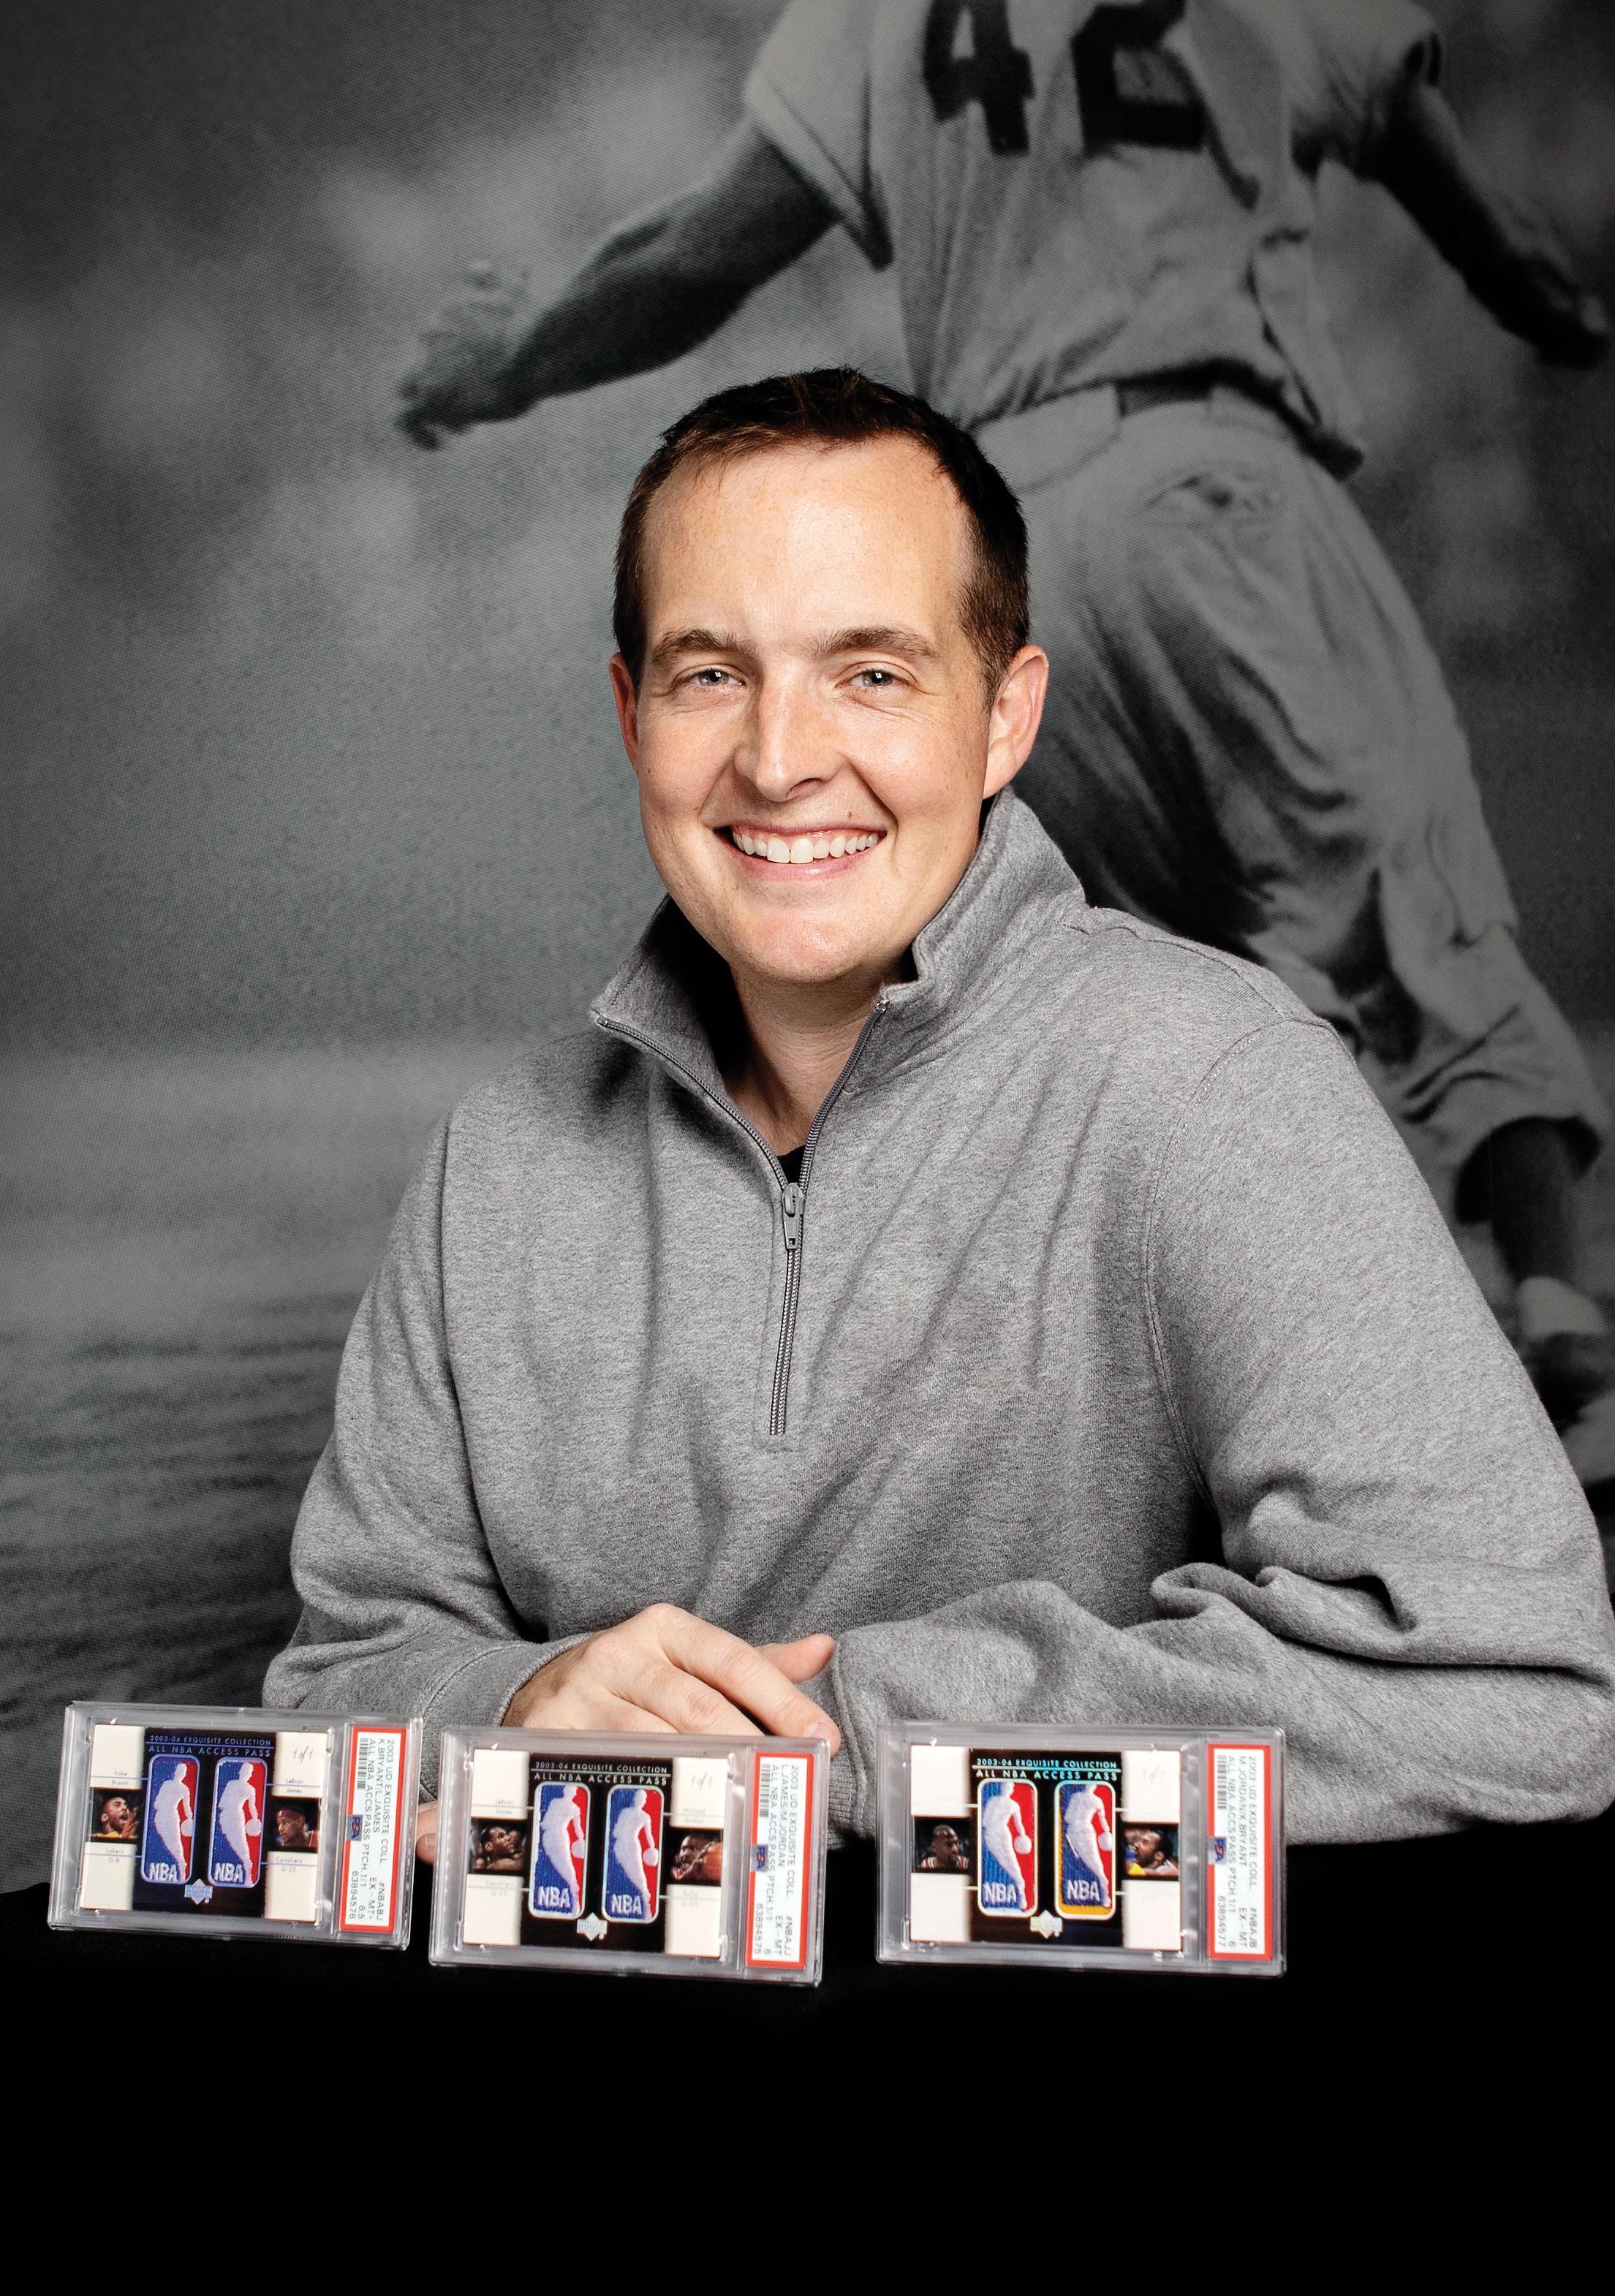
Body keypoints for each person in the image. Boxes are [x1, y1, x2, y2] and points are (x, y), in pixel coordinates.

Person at [268, 368, 1615, 1849]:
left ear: (1003, 718)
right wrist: (518, 1706)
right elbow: (339, 1685)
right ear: (630, 713)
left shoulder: (1218, 1084)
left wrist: (815, 1741)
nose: (780, 760)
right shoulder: (497, 1163)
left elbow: (1509, 1687)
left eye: (871, 674)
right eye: (710, 674)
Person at [395, 0, 1615, 1488]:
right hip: (1212, 485)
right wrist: (1556, 304)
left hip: (1005, 550)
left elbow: (695, 252)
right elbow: (1505, 250)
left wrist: (515, 358)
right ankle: (1561, 1326)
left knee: (1133, 997)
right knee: (1408, 910)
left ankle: (1133, 1412)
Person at [980, 1783, 1034, 1912]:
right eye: (1006, 1787)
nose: (1007, 1789)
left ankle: (1020, 1893)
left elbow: (985, 1822)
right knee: (1009, 1864)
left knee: (1009, 1863)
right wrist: (1023, 1836)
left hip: (993, 1834)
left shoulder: (995, 1801)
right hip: (998, 1834)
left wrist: (1023, 1836)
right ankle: (1020, 1893)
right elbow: (1018, 1825)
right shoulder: (1012, 1804)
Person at [1062, 1781, 1113, 1902]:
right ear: (1094, 1787)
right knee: (1093, 1860)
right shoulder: (1097, 1801)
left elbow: (1067, 1818)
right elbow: (1103, 1821)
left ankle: (1103, 1887)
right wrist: (1107, 1833)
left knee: (1081, 1861)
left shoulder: (1075, 1797)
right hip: (1086, 1830)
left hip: (1072, 1831)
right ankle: (1104, 1889)